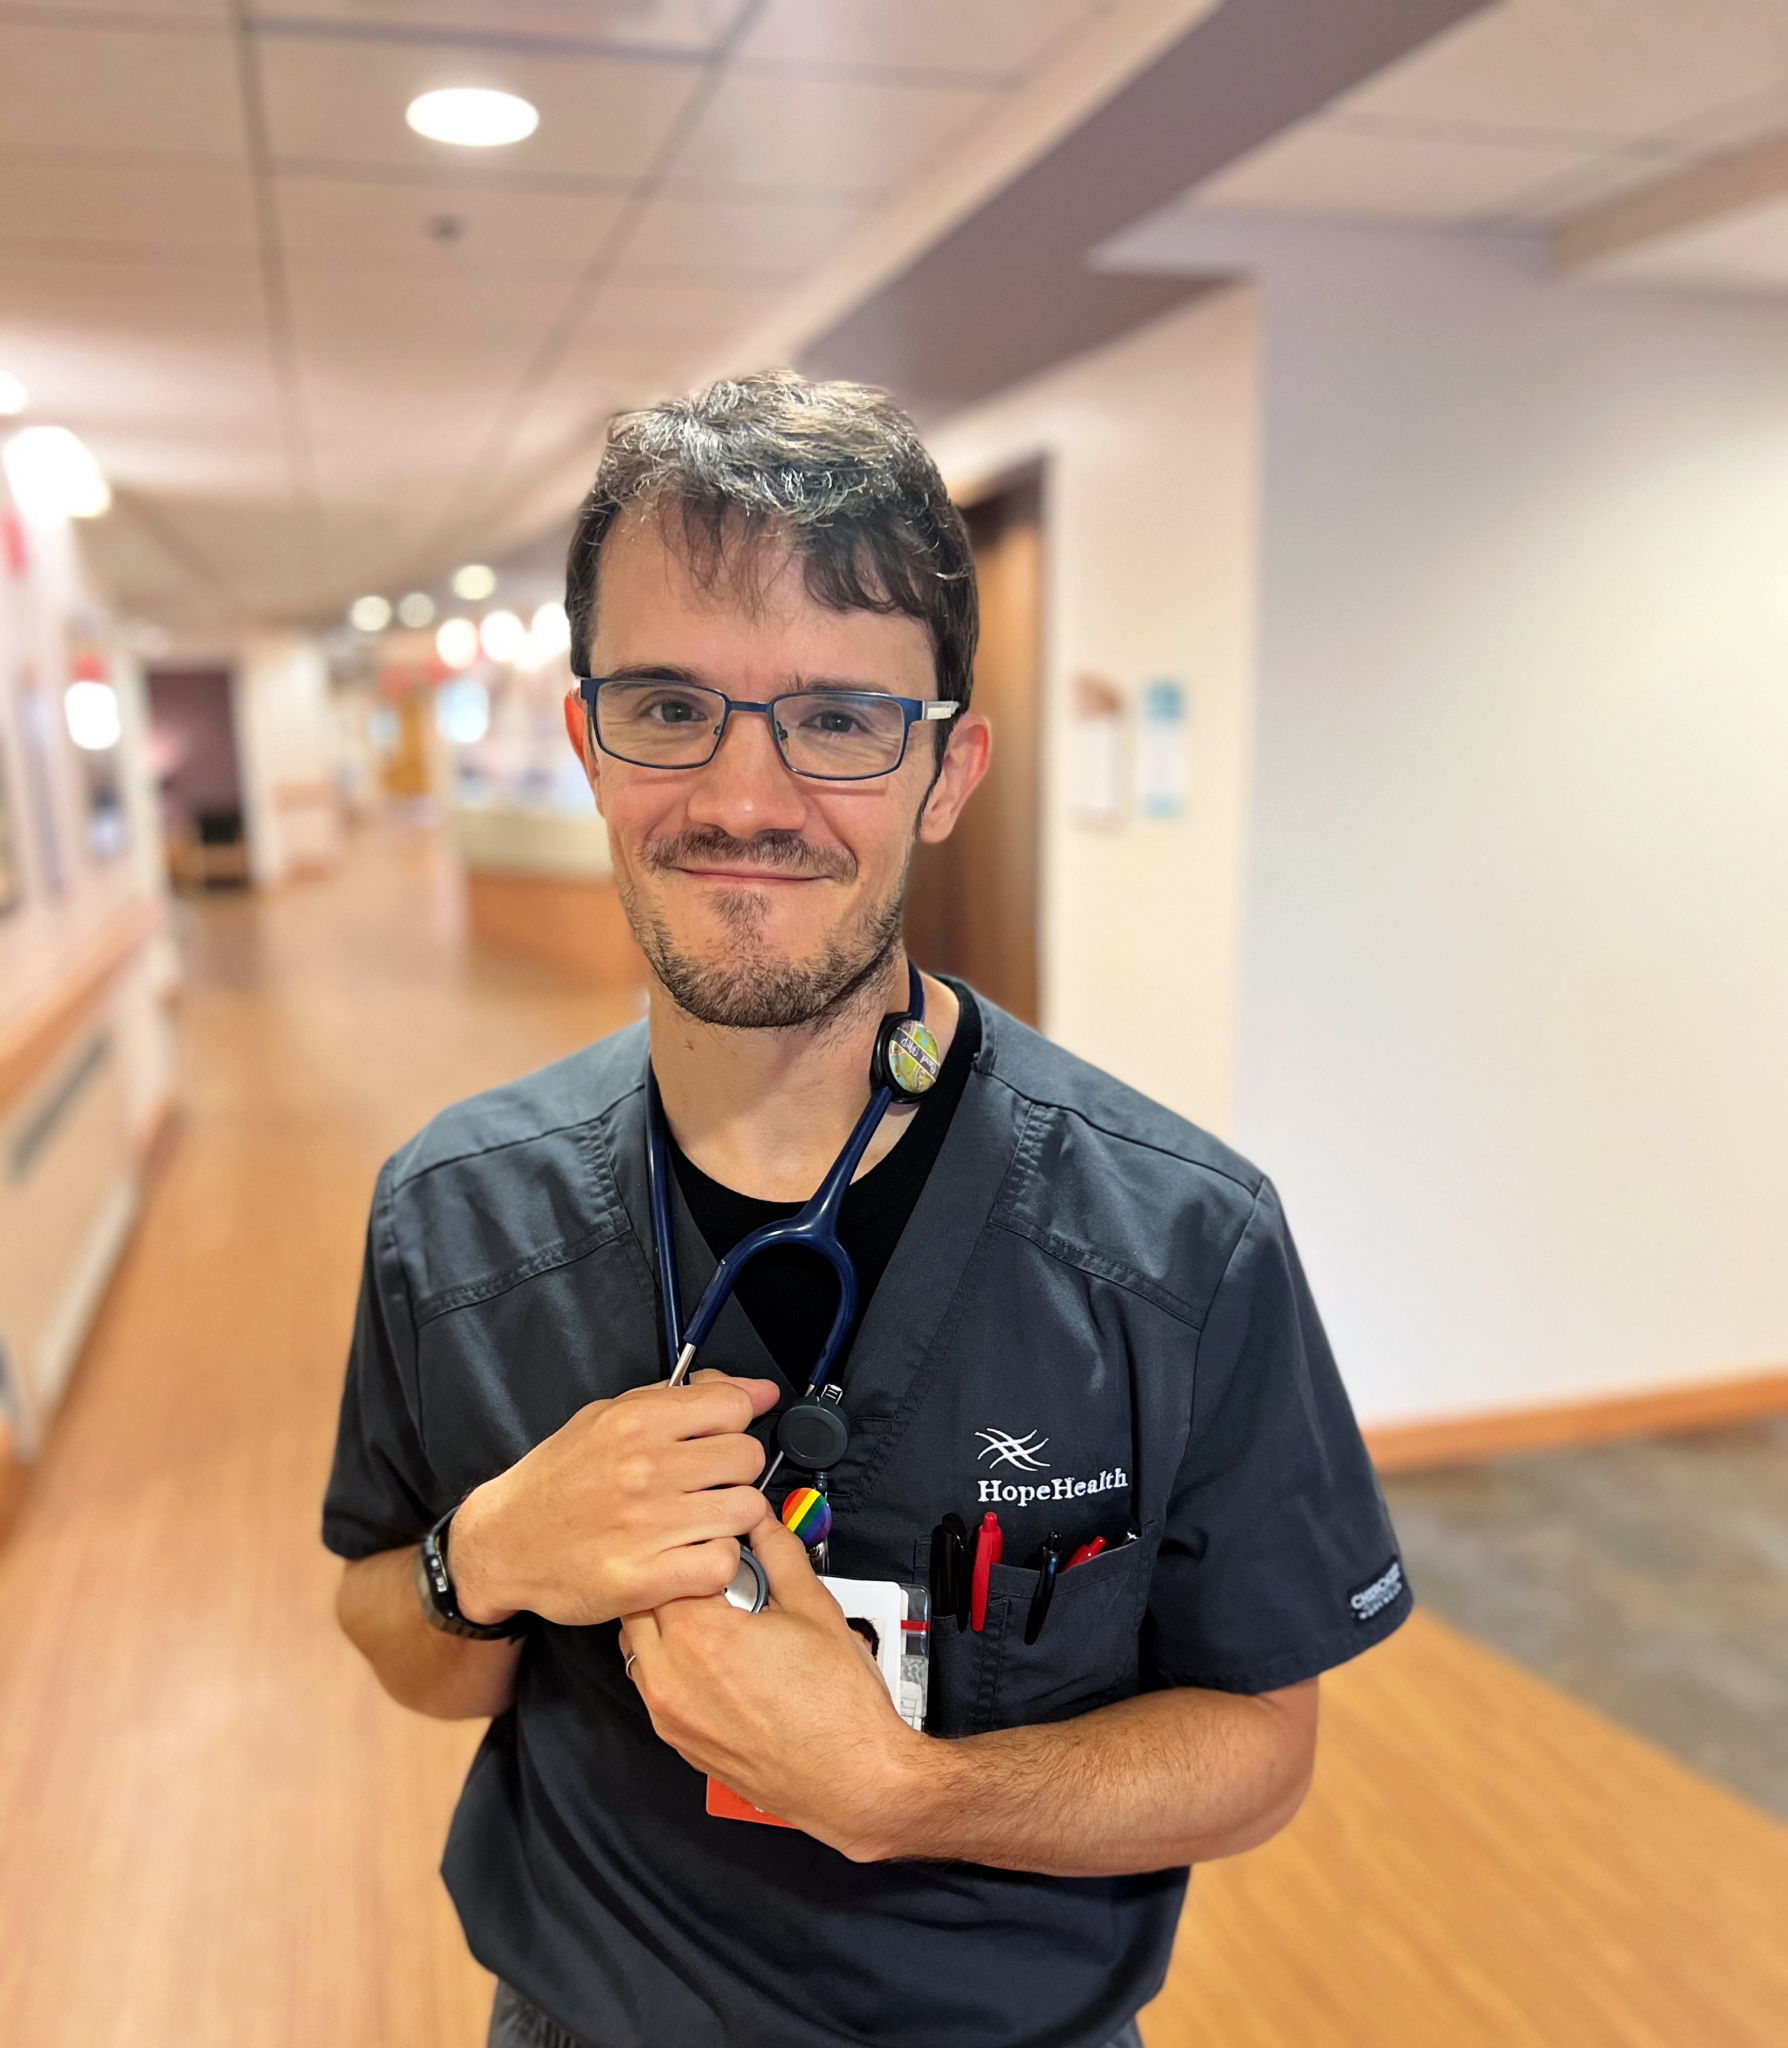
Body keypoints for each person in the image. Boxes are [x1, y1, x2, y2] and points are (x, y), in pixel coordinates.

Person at [324, 372, 1410, 2048]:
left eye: (838, 719)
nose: (746, 801)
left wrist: (903, 1790)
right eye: (671, 705)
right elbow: (400, 1635)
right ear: (586, 741)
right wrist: (493, 1556)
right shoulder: (457, 1223)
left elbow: (1257, 1754)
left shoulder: (1179, 1244)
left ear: (948, 769)